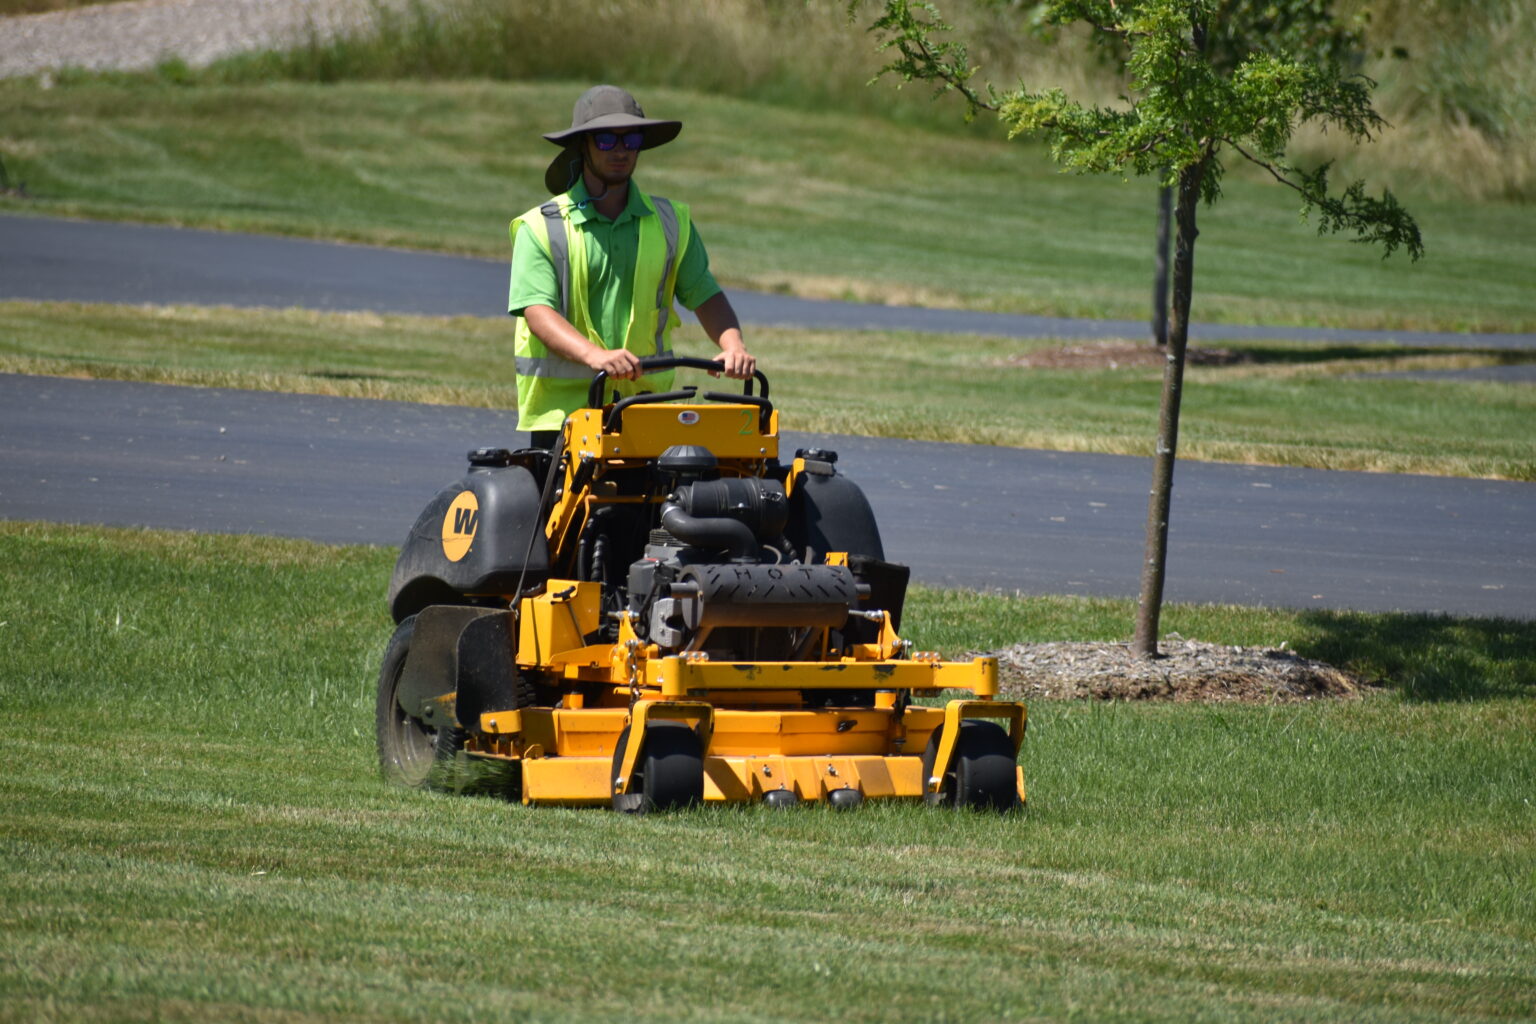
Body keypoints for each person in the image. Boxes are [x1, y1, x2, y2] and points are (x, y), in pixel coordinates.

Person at [508, 85, 756, 448]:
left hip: (647, 406)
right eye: (607, 140)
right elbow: (537, 312)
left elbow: (704, 294)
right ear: (583, 145)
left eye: (631, 139)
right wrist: (595, 356)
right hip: (564, 418)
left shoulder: (671, 222)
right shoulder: (540, 228)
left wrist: (733, 345)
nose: (621, 151)